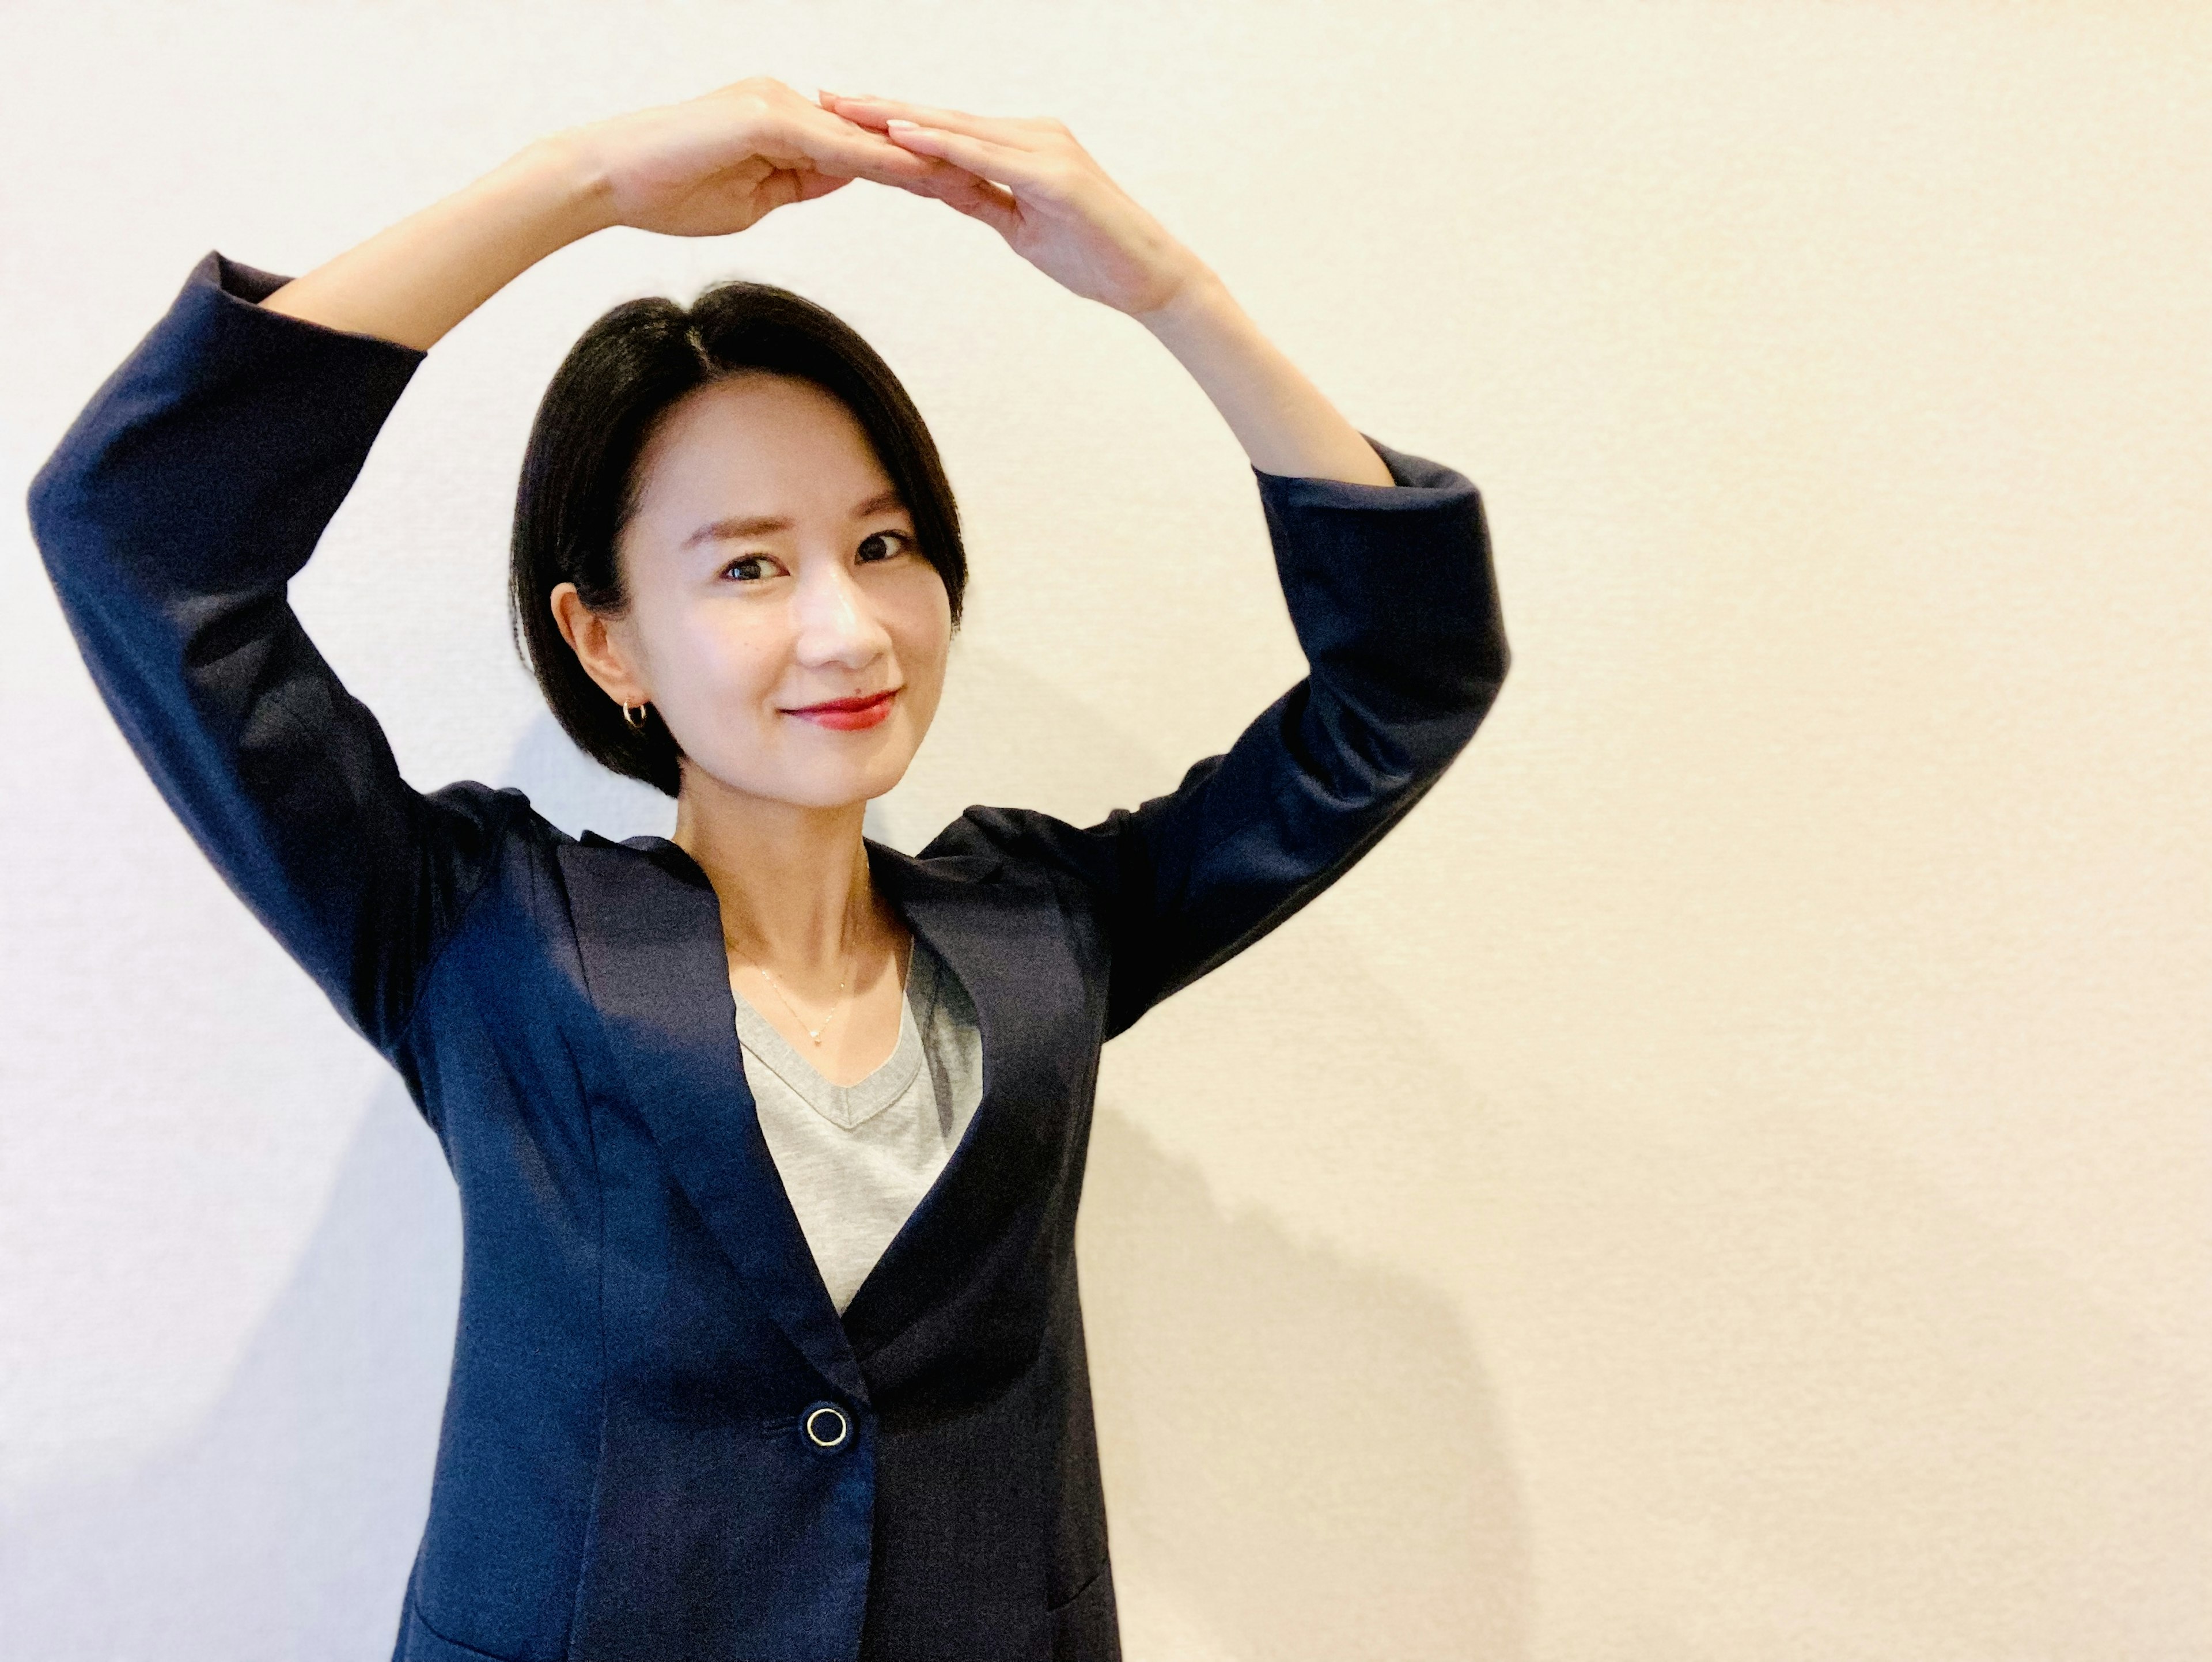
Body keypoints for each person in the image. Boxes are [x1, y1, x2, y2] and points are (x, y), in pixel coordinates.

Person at [28, 75, 1508, 1662]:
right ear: (605, 640)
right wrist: (575, 179)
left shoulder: (1047, 930)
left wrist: (1171, 291)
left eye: (884, 546)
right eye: (748, 566)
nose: (846, 628)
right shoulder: (479, 937)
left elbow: (1404, 684)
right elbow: (138, 533)